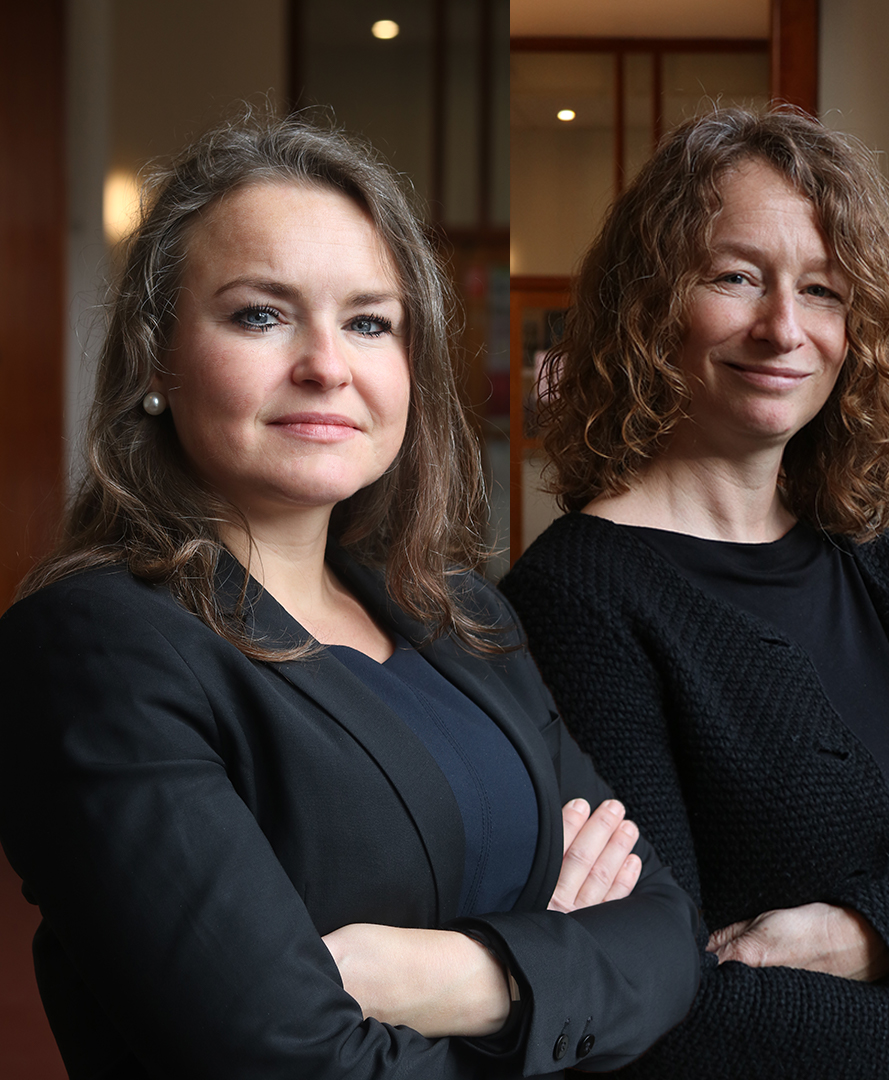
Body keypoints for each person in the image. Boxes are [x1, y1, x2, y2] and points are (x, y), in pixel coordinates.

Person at [0, 115, 701, 1079]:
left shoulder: (460, 612)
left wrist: (432, 973)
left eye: (370, 322)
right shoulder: (92, 649)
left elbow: (665, 936)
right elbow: (288, 1060)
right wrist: (559, 976)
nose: (328, 364)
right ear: (157, 359)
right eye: (261, 314)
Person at [498, 107, 889, 1080]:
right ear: (650, 306)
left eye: (822, 290)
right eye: (735, 277)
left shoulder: (879, 567)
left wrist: (851, 935)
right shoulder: (574, 603)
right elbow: (662, 1001)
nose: (784, 329)